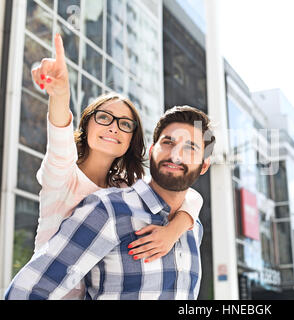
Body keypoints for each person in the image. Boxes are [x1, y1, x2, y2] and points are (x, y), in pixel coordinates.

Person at [26, 34, 203, 299]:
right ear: (86, 125)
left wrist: (172, 231)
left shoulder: (124, 188)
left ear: (132, 139)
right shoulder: (62, 174)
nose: (113, 127)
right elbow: (59, 133)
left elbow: (188, 194)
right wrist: (61, 92)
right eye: (104, 117)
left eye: (125, 123)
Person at [5, 105, 215, 300]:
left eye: (190, 148)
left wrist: (180, 224)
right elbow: (27, 291)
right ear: (152, 151)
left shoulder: (192, 227)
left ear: (204, 166)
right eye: (168, 143)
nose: (176, 155)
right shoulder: (108, 210)